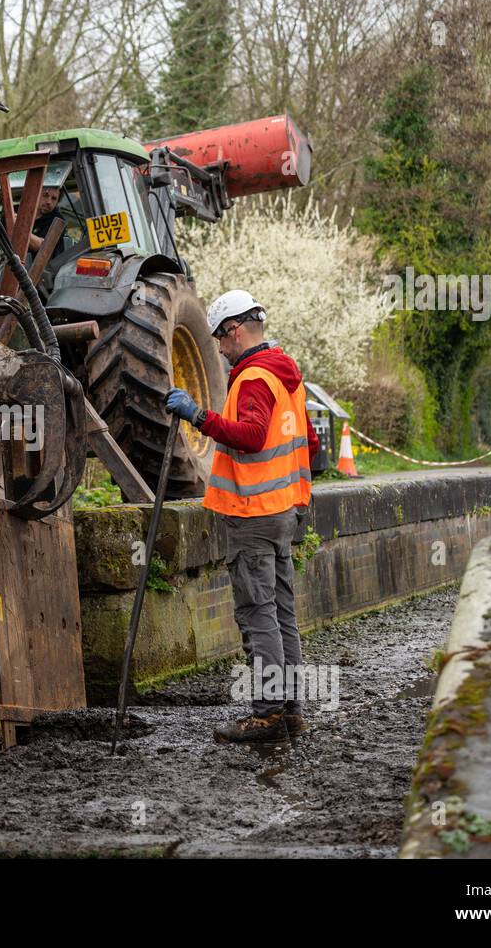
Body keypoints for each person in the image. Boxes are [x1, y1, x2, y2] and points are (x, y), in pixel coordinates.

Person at [165, 290, 320, 743]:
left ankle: (268, 714)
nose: (217, 348)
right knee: (283, 614)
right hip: (283, 512)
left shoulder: (253, 377)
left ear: (234, 330)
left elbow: (251, 436)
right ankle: (290, 710)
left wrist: (198, 415)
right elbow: (309, 442)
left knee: (258, 616)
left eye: (218, 338)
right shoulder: (286, 372)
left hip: (252, 513)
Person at [26, 183, 67, 261]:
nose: (49, 202)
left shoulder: (57, 220)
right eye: (45, 195)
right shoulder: (18, 211)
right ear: (36, 194)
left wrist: (18, 227)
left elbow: (43, 247)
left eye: (54, 198)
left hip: (45, 271)